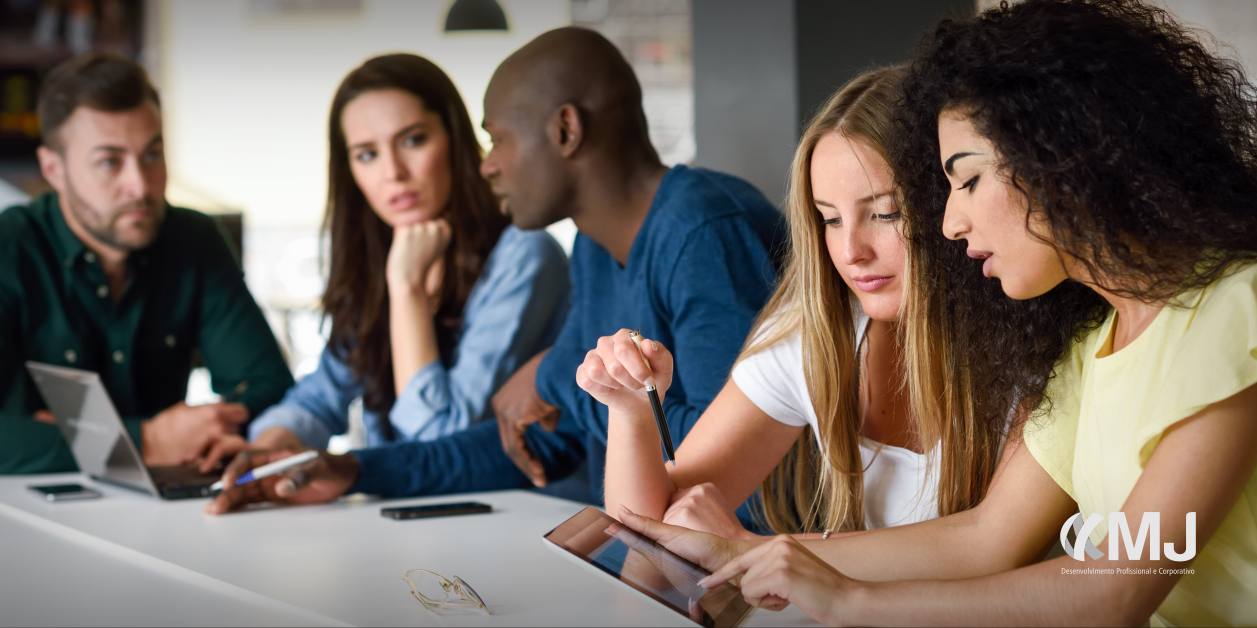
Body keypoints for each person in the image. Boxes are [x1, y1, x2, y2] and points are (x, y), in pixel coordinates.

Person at [620, 1, 1257, 625]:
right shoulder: (1091, 344)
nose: (951, 222)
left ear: (1065, 156)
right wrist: (749, 557)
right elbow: (985, 540)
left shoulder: (1240, 309)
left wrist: (846, 601)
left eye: (967, 179)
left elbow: (1111, 595)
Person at [206, 27, 783, 515]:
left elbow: (738, 465)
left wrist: (554, 373)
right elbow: (547, 440)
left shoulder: (704, 230)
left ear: (565, 130)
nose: (486, 165)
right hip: (656, 559)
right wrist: (355, 469)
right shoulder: (592, 245)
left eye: (497, 138)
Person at [583, 67, 1010, 540]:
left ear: (951, 199)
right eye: (829, 219)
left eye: (885, 213)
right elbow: (649, 530)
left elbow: (988, 551)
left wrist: (759, 552)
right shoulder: (817, 331)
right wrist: (631, 413)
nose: (851, 252)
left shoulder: (1027, 346)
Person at [198, 54, 570, 471]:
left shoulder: (524, 254)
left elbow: (439, 441)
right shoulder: (380, 259)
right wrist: (265, 449)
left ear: (454, 139)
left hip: (522, 513)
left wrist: (406, 290)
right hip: (405, 513)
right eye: (367, 154)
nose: (393, 172)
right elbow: (321, 398)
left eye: (412, 140)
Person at [0, 53, 293, 474]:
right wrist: (148, 440)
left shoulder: (194, 239)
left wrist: (66, 436)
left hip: (165, 504)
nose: (140, 185)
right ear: (53, 169)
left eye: (152, 155)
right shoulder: (4, 249)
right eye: (109, 162)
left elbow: (269, 387)